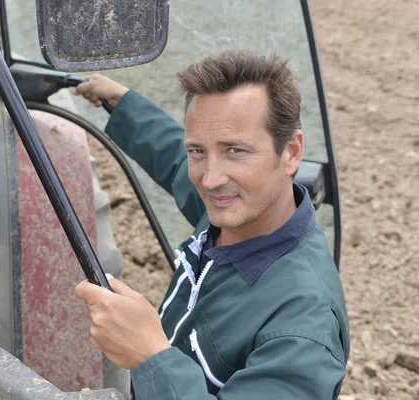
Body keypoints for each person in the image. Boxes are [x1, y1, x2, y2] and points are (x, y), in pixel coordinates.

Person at [73, 50, 350, 400]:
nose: (210, 179)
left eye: (235, 150)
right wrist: (125, 105)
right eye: (198, 151)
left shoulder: (302, 327)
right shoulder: (238, 209)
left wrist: (149, 356)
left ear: (291, 152)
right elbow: (173, 156)